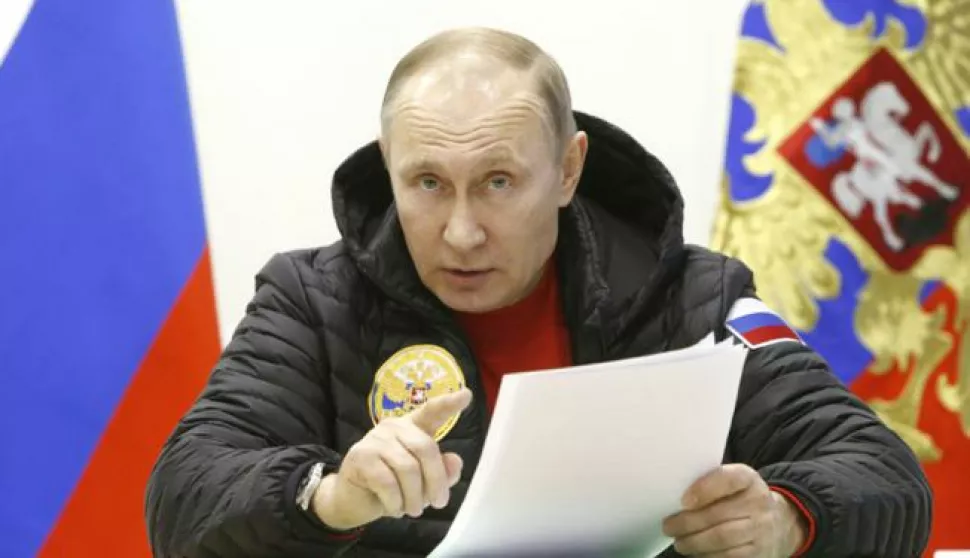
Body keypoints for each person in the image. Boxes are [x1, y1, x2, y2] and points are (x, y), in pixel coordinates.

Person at [145, 27, 932, 557]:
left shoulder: (697, 297)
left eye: (496, 182)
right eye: (426, 182)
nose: (459, 231)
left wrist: (786, 520)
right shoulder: (309, 300)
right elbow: (182, 500)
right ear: (389, 165)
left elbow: (887, 477)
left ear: (567, 169)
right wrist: (330, 496)